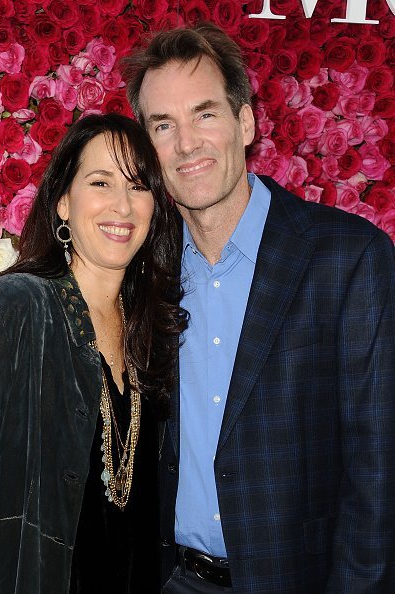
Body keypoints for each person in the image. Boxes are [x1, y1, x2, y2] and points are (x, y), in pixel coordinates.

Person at [122, 23, 395, 593]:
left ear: (245, 121)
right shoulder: (144, 268)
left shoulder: (348, 257)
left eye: (205, 114)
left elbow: (379, 464)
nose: (186, 144)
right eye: (163, 126)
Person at [0, 113, 187, 594]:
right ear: (63, 200)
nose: (122, 205)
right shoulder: (12, 309)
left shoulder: (155, 333)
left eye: (138, 186)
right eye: (101, 182)